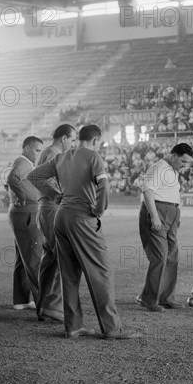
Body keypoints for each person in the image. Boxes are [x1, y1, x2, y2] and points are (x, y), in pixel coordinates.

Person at [27, 125, 140, 340]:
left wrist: (57, 196)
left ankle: (74, 327)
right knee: (101, 271)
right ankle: (112, 328)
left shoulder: (61, 158)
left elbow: (33, 177)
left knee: (69, 274)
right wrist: (98, 209)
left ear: (79, 138)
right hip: (82, 217)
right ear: (96, 140)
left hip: (61, 217)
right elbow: (104, 187)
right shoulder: (94, 156)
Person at [138, 143, 193, 312]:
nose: (184, 165)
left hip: (170, 213)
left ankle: (166, 298)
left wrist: (175, 216)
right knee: (160, 256)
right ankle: (149, 300)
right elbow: (147, 191)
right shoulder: (159, 168)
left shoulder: (172, 170)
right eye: (183, 161)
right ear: (173, 156)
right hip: (158, 212)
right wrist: (155, 217)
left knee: (172, 255)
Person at [35, 124, 77, 323]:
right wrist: (59, 195)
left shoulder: (46, 153)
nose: (73, 143)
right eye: (72, 139)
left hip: (46, 208)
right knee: (63, 255)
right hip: (51, 207)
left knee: (50, 258)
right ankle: (52, 306)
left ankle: (43, 304)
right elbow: (43, 179)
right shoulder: (53, 154)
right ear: (64, 139)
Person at [6, 136, 44, 311]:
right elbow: (11, 178)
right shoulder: (23, 163)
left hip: (19, 213)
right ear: (27, 148)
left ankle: (21, 300)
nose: (39, 154)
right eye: (37, 150)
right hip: (26, 212)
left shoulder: (22, 163)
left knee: (22, 258)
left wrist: (16, 195)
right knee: (34, 257)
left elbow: (10, 182)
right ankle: (43, 303)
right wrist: (21, 196)